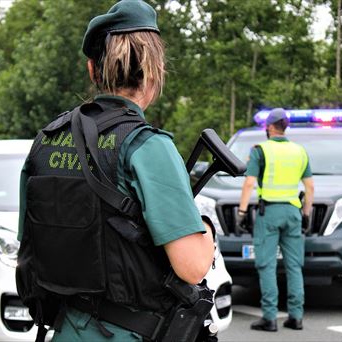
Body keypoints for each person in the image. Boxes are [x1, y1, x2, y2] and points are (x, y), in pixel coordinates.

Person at [16, 1, 215, 341]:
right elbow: (193, 267)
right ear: (155, 71)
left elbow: (31, 242)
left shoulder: (47, 140)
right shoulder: (147, 146)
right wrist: (206, 231)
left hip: (65, 330)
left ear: (92, 69)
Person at [237, 108, 314, 332]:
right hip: (293, 212)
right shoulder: (300, 151)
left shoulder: (261, 150)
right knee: (294, 266)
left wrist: (242, 213)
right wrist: (306, 214)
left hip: (269, 213)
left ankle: (270, 318)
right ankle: (296, 317)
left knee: (267, 264)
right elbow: (309, 187)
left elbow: (249, 183)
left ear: (270, 127)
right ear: (285, 127)